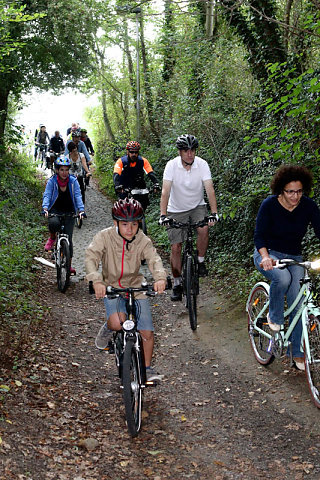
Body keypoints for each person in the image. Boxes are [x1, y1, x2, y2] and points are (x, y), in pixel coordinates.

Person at [85, 197, 167, 381]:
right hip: (112, 287)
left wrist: (160, 278)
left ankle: (146, 368)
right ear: (115, 223)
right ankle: (107, 329)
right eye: (124, 224)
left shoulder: (142, 240)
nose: (129, 229)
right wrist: (97, 281)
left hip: (136, 287)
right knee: (117, 323)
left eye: (134, 224)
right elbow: (91, 257)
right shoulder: (104, 237)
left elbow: (154, 260)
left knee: (146, 332)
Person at [253, 164, 320, 371]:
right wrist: (265, 257)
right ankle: (274, 315)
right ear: (281, 190)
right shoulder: (269, 205)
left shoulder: (308, 206)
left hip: (294, 257)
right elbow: (259, 236)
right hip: (268, 253)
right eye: (290, 191)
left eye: (299, 191)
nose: (295, 196)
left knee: (299, 302)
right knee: (282, 279)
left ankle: (297, 353)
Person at [159, 134, 219, 301]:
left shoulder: (202, 164)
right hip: (176, 209)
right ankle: (177, 282)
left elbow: (210, 189)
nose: (190, 154)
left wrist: (214, 213)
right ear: (180, 152)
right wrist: (163, 215)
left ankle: (200, 261)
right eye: (186, 151)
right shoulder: (171, 166)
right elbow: (165, 192)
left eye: (192, 150)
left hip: (197, 206)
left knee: (204, 228)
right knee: (176, 247)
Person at [42, 155, 85, 275]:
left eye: (66, 169)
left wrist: (81, 210)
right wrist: (45, 208)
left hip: (69, 211)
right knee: (53, 223)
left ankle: (69, 264)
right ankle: (52, 238)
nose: (64, 172)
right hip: (55, 209)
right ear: (57, 170)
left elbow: (78, 196)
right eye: (62, 170)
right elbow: (47, 195)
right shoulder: (52, 181)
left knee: (69, 239)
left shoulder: (73, 181)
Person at [113, 141, 160, 211]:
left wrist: (156, 183)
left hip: (139, 186)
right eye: (131, 152)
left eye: (136, 152)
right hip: (124, 186)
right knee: (123, 208)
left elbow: (150, 173)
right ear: (127, 152)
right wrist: (117, 185)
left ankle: (141, 219)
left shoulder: (143, 161)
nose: (134, 154)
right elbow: (116, 174)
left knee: (143, 206)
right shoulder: (121, 161)